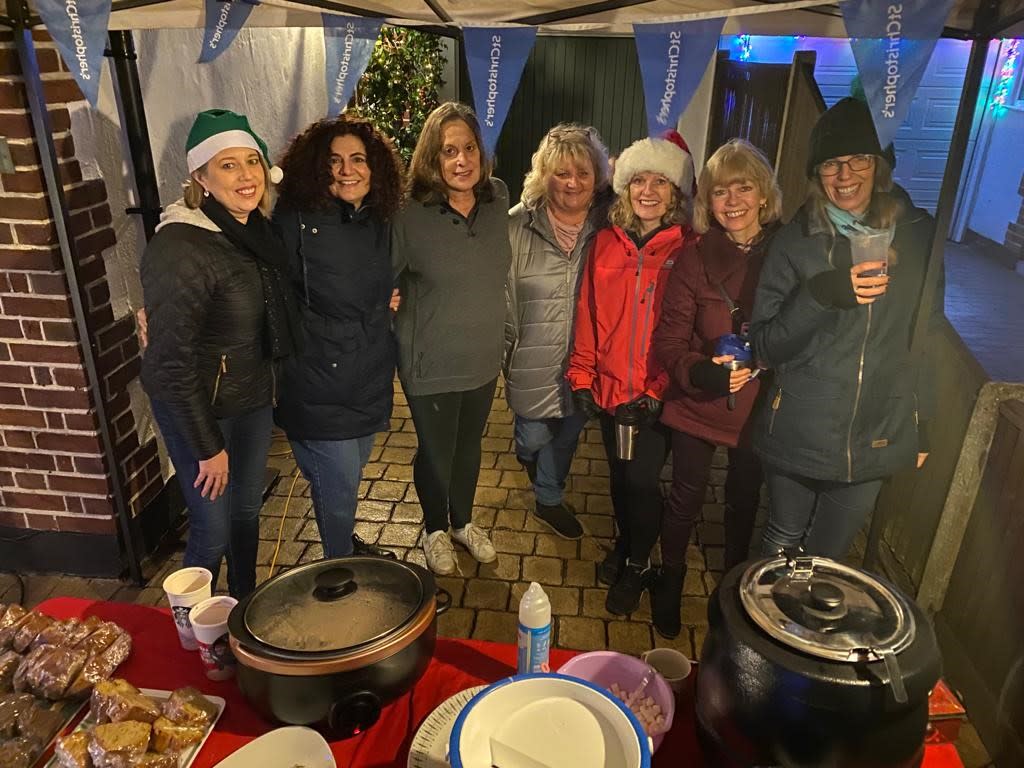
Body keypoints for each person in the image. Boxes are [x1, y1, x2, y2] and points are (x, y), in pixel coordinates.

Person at [749, 97, 938, 559]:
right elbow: (765, 346)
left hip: (877, 428)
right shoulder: (796, 241)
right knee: (781, 542)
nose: (845, 175)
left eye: (859, 159)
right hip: (801, 426)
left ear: (879, 167)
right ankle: (754, 628)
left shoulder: (918, 235)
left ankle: (804, 629)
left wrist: (923, 423)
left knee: (826, 558)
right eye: (832, 163)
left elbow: (925, 334)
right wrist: (820, 296)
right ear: (817, 175)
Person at [140, 109, 296, 599]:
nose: (245, 175)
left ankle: (244, 608)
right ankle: (194, 636)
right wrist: (207, 446)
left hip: (248, 401)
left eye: (251, 161)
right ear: (201, 177)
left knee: (247, 514)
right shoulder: (182, 244)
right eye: (227, 165)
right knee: (212, 531)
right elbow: (169, 363)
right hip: (200, 412)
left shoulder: (253, 232)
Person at [652, 139, 782, 639]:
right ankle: (670, 581)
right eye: (720, 191)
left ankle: (733, 590)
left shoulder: (786, 253)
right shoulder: (694, 258)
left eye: (743, 187)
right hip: (700, 400)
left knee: (744, 499)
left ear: (764, 195)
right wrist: (702, 372)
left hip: (756, 406)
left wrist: (765, 359)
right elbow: (669, 338)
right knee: (685, 497)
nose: (732, 201)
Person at [566, 131, 697, 615]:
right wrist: (581, 376)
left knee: (643, 483)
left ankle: (640, 561)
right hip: (608, 390)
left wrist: (660, 390)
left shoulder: (688, 249)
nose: (647, 191)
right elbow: (588, 312)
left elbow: (689, 331)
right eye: (638, 180)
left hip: (656, 395)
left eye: (659, 182)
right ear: (624, 187)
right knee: (619, 480)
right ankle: (625, 543)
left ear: (676, 192)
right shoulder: (604, 242)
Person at [271, 115, 405, 559]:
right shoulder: (292, 219)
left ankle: (341, 545)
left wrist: (391, 295)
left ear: (375, 167)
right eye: (334, 161)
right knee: (340, 488)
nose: (347, 170)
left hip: (368, 372)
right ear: (316, 167)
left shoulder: (379, 217)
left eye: (358, 159)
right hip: (317, 378)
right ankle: (337, 568)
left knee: (344, 479)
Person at [392, 102, 513, 575]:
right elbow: (383, 277)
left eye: (468, 149)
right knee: (437, 450)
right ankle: (434, 529)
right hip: (429, 359)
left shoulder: (498, 199)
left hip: (483, 355)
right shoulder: (408, 212)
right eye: (448, 151)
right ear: (431, 158)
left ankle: (462, 522)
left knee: (470, 445)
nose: (461, 160)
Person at [504, 124, 612, 540]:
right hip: (531, 357)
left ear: (597, 177)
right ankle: (526, 452)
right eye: (561, 172)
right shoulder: (517, 225)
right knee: (532, 436)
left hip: (587, 364)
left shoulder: (610, 228)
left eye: (583, 173)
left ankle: (549, 498)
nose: (572, 183)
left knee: (565, 438)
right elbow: (500, 295)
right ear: (543, 174)